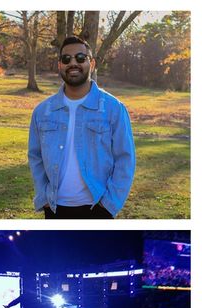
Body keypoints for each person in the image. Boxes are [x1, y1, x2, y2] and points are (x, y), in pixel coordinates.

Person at [28, 36, 135, 219]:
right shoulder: (42, 111)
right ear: (60, 65)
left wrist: (108, 206)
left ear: (91, 63)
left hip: (97, 209)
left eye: (80, 58)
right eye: (66, 59)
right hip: (54, 209)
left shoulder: (113, 108)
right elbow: (35, 156)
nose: (73, 63)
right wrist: (43, 197)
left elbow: (125, 159)